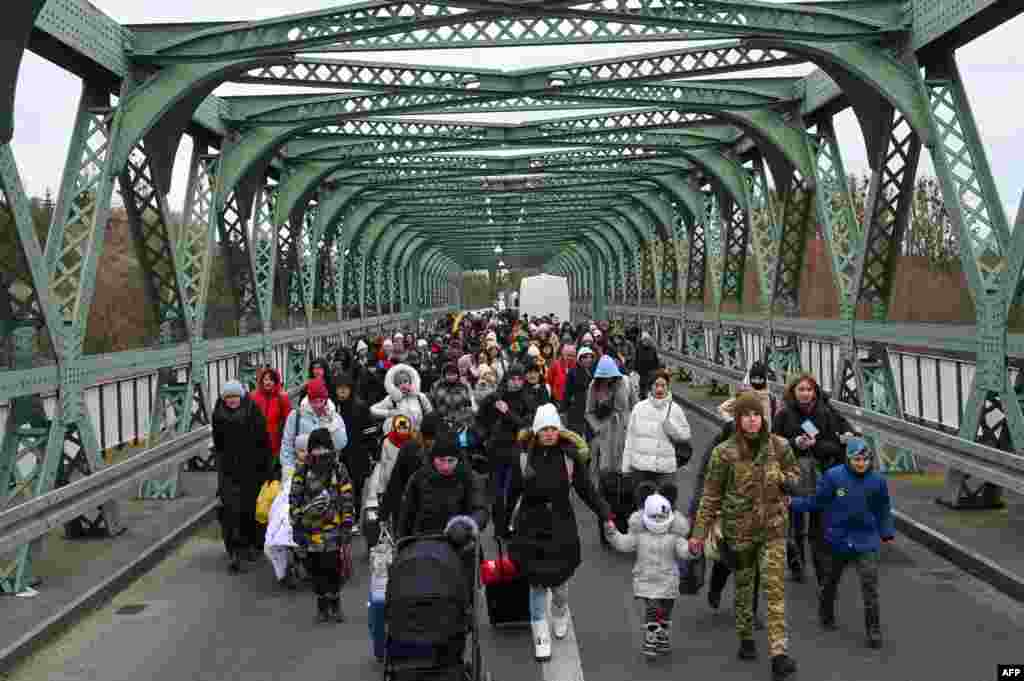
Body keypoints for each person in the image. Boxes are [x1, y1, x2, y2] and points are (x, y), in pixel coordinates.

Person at [689, 392, 801, 681]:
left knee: (774, 589)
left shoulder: (779, 447)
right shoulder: (724, 452)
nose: (752, 420)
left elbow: (797, 478)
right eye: (746, 415)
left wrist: (785, 480)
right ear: (738, 420)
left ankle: (779, 653)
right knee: (744, 585)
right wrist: (699, 533)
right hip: (739, 531)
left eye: (757, 415)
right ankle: (745, 634)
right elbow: (711, 494)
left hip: (773, 529)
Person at [499, 404, 612, 661]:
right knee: (537, 585)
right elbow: (511, 493)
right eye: (544, 429)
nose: (549, 433)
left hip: (561, 525)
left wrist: (605, 513)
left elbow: (586, 490)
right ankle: (540, 634)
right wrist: (503, 524)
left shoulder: (569, 457)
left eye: (553, 428)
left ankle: (560, 611)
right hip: (531, 526)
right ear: (537, 431)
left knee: (560, 585)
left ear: (558, 431)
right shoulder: (523, 457)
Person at [789, 437, 894, 649]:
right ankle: (825, 611)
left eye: (865, 459)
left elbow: (883, 509)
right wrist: (794, 503)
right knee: (830, 582)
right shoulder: (833, 477)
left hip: (866, 539)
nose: (861, 464)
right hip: (839, 539)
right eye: (856, 459)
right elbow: (817, 501)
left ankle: (873, 629)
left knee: (869, 585)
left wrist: (886, 532)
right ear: (848, 459)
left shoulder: (878, 481)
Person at [773, 372, 854, 585]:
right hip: (793, 475)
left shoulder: (826, 414)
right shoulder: (783, 415)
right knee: (795, 523)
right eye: (801, 389)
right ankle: (796, 564)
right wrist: (794, 443)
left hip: (820, 474)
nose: (805, 394)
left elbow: (838, 444)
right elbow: (772, 443)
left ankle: (821, 570)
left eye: (809, 389)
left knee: (818, 525)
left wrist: (816, 446)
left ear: (815, 392)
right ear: (793, 392)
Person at [605, 493, 693, 658]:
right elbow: (623, 543)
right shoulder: (639, 535)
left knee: (666, 611)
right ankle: (650, 637)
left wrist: (693, 549)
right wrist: (612, 534)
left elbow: (684, 551)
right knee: (653, 608)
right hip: (647, 581)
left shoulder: (674, 536)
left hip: (668, 581)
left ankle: (662, 635)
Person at [290, 428, 356, 623]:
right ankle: (321, 604)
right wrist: (296, 527)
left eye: (324, 448)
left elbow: (347, 497)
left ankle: (335, 602)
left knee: (333, 568)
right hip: (310, 531)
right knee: (315, 569)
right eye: (316, 448)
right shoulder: (302, 471)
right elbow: (294, 499)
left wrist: (347, 525)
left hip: (333, 531)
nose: (320, 452)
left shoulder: (338, 469)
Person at [212, 380, 274, 573]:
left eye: (235, 396)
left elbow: (263, 440)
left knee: (250, 509)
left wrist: (268, 468)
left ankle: (251, 545)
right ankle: (234, 551)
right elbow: (218, 443)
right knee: (230, 511)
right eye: (228, 397)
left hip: (252, 469)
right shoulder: (218, 414)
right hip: (229, 470)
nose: (232, 400)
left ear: (241, 396)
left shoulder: (253, 412)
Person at [396, 432, 489, 540]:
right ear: (433, 458)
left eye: (451, 461)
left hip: (461, 542)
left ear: (458, 460)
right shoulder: (418, 478)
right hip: (423, 542)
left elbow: (480, 509)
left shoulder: (470, 478)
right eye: (441, 460)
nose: (446, 466)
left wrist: (466, 525)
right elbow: (406, 516)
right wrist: (402, 543)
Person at [621, 368, 691, 498]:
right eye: (656, 385)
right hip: (641, 468)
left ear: (668, 387)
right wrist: (626, 467)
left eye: (663, 385)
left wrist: (673, 430)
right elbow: (630, 439)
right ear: (650, 387)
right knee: (643, 508)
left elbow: (686, 435)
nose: (659, 389)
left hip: (665, 469)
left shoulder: (675, 409)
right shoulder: (639, 408)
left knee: (665, 507)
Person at [380, 413, 443, 529]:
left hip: (431, 514)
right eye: (428, 439)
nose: (430, 443)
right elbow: (396, 482)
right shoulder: (410, 449)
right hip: (411, 513)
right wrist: (384, 513)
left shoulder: (446, 451)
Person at [333, 371, 375, 533]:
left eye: (345, 389)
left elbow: (369, 431)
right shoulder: (333, 408)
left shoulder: (360, 406)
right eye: (339, 389)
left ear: (351, 389)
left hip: (358, 454)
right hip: (340, 454)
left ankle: (355, 520)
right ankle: (342, 518)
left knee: (355, 488)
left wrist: (372, 452)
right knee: (339, 488)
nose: (342, 392)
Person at [279, 378, 348, 471]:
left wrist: (331, 424)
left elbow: (341, 443)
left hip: (327, 473)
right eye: (314, 401)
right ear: (308, 399)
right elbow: (287, 444)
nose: (318, 405)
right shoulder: (296, 415)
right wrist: (288, 471)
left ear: (326, 399)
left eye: (321, 401)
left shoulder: (334, 416)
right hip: (301, 472)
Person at [586, 355, 633, 478]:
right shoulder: (594, 386)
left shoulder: (626, 382)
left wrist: (632, 425)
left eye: (610, 376)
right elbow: (589, 412)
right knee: (604, 470)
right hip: (605, 432)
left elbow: (636, 405)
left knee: (624, 470)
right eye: (603, 376)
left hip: (624, 431)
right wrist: (598, 428)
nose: (607, 379)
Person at [370, 363, 433, 432]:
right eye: (399, 383)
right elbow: (373, 409)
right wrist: (389, 413)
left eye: (405, 381)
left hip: (419, 435)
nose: (403, 385)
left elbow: (430, 413)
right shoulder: (392, 399)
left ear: (411, 381)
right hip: (400, 437)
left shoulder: (420, 397)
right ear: (394, 386)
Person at [250, 367, 292, 462]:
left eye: (271, 380)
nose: (268, 382)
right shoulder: (253, 397)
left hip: (275, 443)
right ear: (261, 381)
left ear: (276, 382)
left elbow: (289, 422)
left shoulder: (282, 398)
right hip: (256, 442)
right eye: (266, 379)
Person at [431, 361, 477, 430]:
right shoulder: (437, 386)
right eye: (449, 374)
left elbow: (468, 403)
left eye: (454, 374)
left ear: (457, 374)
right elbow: (432, 402)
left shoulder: (464, 386)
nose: (451, 377)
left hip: (461, 421)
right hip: (443, 421)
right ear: (444, 375)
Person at [562, 347, 594, 437]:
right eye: (585, 357)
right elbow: (567, 392)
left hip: (589, 409)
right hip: (576, 411)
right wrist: (565, 409)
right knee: (576, 437)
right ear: (580, 359)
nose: (588, 359)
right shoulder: (573, 372)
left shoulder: (592, 371)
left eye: (590, 357)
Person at [634, 332, 661, 399]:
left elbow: (656, 359)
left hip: (651, 370)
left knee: (650, 385)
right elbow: (636, 358)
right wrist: (635, 369)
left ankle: (651, 398)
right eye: (644, 340)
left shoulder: (653, 348)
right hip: (641, 370)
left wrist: (657, 369)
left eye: (646, 340)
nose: (645, 341)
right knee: (642, 385)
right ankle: (643, 397)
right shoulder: (639, 347)